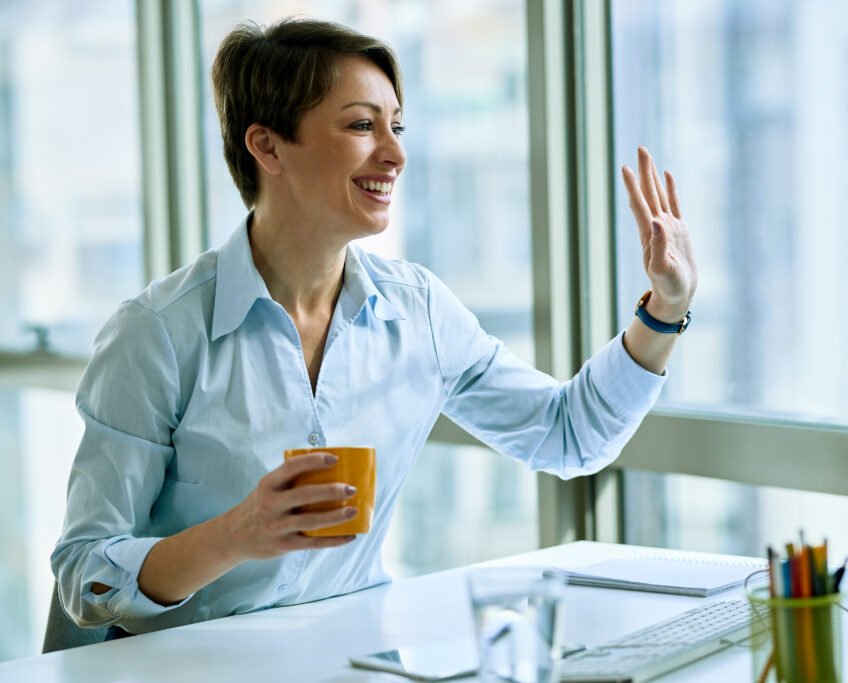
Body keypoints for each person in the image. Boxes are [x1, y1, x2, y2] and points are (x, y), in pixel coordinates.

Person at [51, 17, 697, 636]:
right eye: (362, 125)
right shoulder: (157, 335)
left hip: (346, 656)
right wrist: (237, 534)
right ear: (267, 145)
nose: (395, 153)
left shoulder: (418, 314)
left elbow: (567, 433)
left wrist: (664, 309)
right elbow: (86, 576)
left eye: (396, 126)